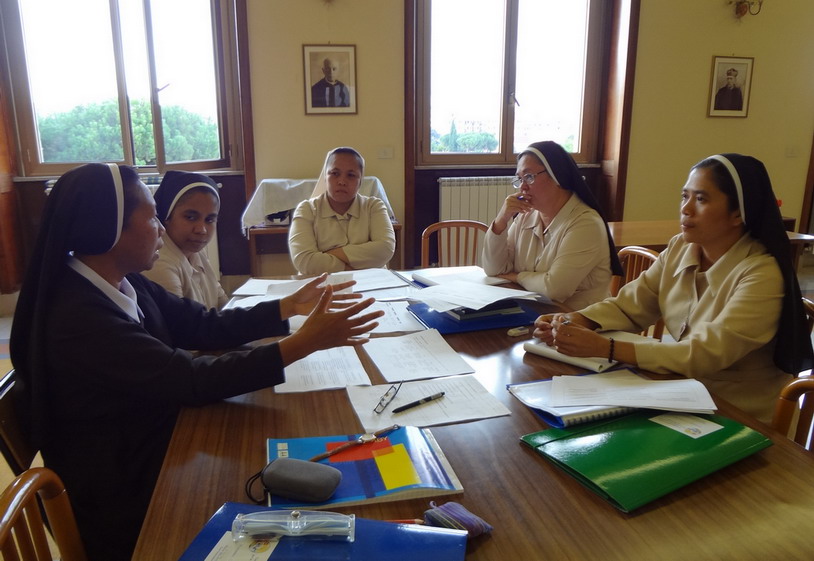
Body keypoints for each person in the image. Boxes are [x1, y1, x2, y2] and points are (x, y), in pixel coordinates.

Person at [9, 163, 382, 561]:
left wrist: (286, 307)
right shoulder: (77, 318)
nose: (161, 228)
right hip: (125, 491)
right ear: (109, 228)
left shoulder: (121, 279)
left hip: (152, 442)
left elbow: (202, 324)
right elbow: (188, 379)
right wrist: (303, 343)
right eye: (152, 217)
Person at [534, 154, 814, 423]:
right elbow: (629, 305)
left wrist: (605, 347)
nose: (686, 209)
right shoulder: (681, 247)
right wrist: (575, 320)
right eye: (685, 196)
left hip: (738, 414)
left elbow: (703, 353)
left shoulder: (762, 274)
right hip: (680, 391)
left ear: (738, 213)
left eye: (701, 199)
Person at [481, 140, 623, 309]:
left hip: (579, 319)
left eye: (529, 177)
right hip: (537, 313)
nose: (523, 187)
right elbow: (494, 270)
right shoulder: (527, 215)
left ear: (557, 176)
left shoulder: (586, 224)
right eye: (519, 179)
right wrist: (501, 220)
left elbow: (554, 289)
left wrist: (517, 277)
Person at [289, 147, 395, 274]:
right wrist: (349, 269)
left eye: (351, 175)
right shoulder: (306, 210)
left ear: (360, 181)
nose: (342, 181)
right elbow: (304, 261)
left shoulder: (374, 206)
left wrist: (330, 254)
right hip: (323, 284)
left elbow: (385, 249)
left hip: (371, 283)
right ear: (325, 177)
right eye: (335, 173)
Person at [142, 170, 227, 309]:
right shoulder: (159, 262)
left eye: (209, 220)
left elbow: (222, 303)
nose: (201, 230)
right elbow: (182, 321)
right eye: (190, 217)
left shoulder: (195, 252)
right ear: (167, 217)